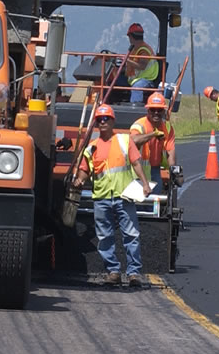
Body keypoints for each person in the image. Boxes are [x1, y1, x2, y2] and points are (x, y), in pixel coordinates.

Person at [73, 103, 149, 286]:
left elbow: (136, 163)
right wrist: (80, 180)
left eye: (106, 119)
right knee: (105, 236)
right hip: (102, 198)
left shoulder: (125, 140)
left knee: (131, 234)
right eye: (99, 119)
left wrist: (145, 184)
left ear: (113, 121)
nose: (103, 122)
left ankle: (134, 273)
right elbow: (85, 170)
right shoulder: (91, 148)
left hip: (124, 195)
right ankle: (113, 271)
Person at [130, 91, 180, 186]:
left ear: (164, 111)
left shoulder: (167, 127)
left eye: (159, 110)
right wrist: (153, 134)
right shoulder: (139, 125)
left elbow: (171, 152)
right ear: (148, 110)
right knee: (140, 199)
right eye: (153, 110)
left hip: (156, 169)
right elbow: (134, 141)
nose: (156, 113)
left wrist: (174, 173)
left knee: (156, 199)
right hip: (139, 171)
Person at [123, 22, 160, 104]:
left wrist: (126, 60)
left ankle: (135, 107)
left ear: (131, 36)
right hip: (134, 78)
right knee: (110, 81)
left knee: (137, 87)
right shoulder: (134, 49)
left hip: (146, 79)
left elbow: (142, 66)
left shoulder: (144, 50)